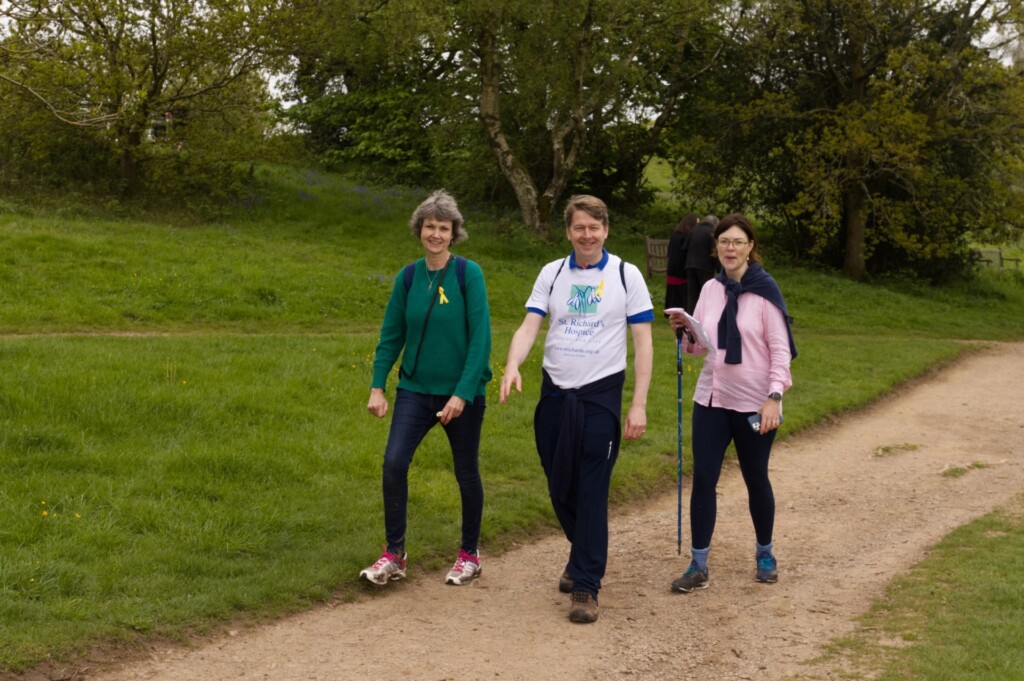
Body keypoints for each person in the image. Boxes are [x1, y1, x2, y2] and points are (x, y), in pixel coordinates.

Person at [500, 194, 654, 624]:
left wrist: (637, 405)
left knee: (590, 492)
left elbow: (643, 344)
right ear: (568, 232)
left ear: (606, 230)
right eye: (579, 227)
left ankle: (586, 585)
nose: (587, 235)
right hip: (554, 397)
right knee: (558, 487)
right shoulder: (551, 274)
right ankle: (582, 549)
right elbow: (530, 324)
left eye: (595, 227)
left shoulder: (627, 275)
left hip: (600, 399)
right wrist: (513, 363)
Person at [361, 190, 493, 587]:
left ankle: (469, 554)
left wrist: (462, 393)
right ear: (419, 230)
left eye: (444, 228)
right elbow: (391, 335)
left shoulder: (468, 274)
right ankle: (394, 555)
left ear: (454, 234)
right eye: (429, 226)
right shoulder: (407, 277)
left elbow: (480, 339)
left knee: (466, 471)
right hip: (415, 390)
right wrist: (377, 386)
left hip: (461, 394)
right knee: (394, 462)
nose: (435, 234)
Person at [667, 213, 796, 593]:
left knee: (756, 478)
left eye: (738, 242)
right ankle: (699, 564)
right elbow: (699, 347)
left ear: (750, 247)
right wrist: (685, 333)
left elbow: (780, 350)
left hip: (757, 403)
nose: (730, 248)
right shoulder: (710, 289)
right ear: (716, 247)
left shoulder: (765, 291)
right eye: (724, 242)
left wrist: (774, 398)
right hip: (712, 398)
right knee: (703, 479)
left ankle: (765, 554)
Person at [684, 214, 720, 314]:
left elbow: (685, 248)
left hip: (690, 267)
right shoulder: (711, 233)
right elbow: (715, 253)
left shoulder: (693, 230)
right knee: (707, 296)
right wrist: (720, 270)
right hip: (705, 268)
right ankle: (706, 318)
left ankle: (689, 323)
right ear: (714, 224)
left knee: (692, 298)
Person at [664, 213, 698, 313]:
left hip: (672, 267)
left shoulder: (675, 235)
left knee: (673, 291)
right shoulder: (687, 236)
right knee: (681, 292)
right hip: (681, 268)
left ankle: (671, 309)